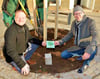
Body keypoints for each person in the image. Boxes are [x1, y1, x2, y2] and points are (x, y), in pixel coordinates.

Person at [42, 5, 98, 73]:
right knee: (64, 55)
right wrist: (59, 42)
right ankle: (81, 55)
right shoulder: (74, 23)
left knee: (92, 51)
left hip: (89, 46)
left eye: (79, 13)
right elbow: (70, 34)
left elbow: (95, 36)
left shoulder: (90, 22)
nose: (77, 15)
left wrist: (88, 51)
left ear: (83, 13)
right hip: (79, 47)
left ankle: (86, 63)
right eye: (75, 14)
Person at [3, 10, 42, 75]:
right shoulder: (11, 31)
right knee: (26, 72)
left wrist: (41, 42)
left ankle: (25, 59)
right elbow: (11, 51)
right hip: (13, 55)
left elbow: (30, 38)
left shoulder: (24, 27)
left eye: (23, 17)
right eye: (18, 17)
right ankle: (14, 63)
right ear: (15, 18)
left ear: (25, 19)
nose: (21, 19)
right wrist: (22, 65)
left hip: (21, 50)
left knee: (36, 44)